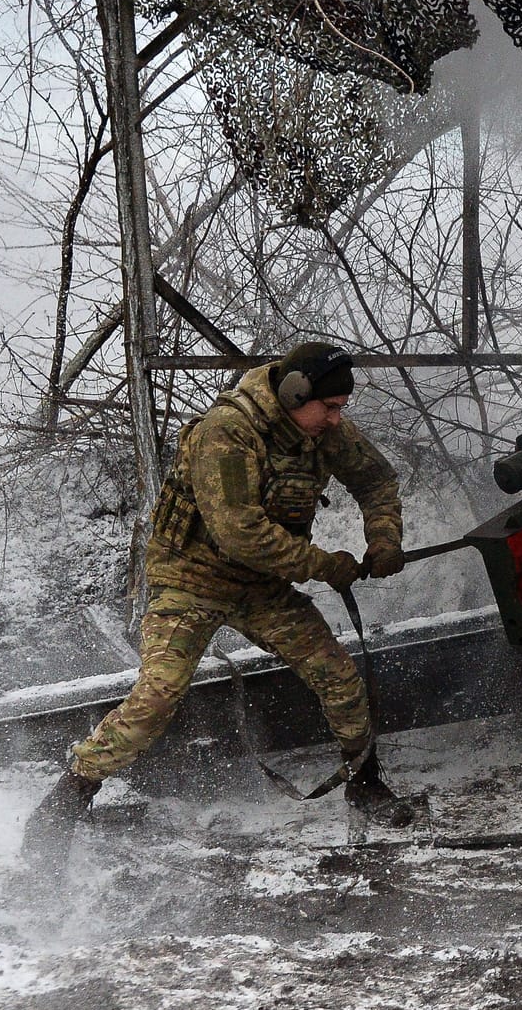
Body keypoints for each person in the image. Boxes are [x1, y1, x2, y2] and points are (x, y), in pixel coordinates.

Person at [23, 342, 411, 853]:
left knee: (337, 676)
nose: (338, 420)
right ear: (295, 395)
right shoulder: (227, 433)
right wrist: (326, 566)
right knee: (157, 697)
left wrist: (384, 539)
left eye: (342, 408)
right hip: (191, 583)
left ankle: (365, 782)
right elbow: (241, 534)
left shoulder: (320, 427)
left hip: (261, 588)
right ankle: (69, 796)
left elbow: (376, 479)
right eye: (331, 407)